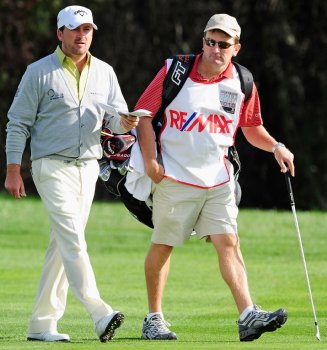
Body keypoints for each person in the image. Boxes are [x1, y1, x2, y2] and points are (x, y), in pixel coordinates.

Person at [134, 13, 295, 342]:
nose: (216, 49)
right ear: (203, 41)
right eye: (211, 42)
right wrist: (150, 160)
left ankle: (248, 315)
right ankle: (153, 318)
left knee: (229, 242)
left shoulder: (242, 81)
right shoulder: (174, 71)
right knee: (164, 245)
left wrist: (276, 146)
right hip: (174, 177)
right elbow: (143, 116)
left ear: (236, 48)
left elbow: (250, 128)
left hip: (218, 178)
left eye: (224, 44)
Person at [4, 5, 139, 343]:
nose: (82, 36)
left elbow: (114, 117)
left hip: (88, 168)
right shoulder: (38, 72)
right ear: (59, 33)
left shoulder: (105, 72)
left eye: (88, 30)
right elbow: (17, 123)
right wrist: (13, 169)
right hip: (49, 166)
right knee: (74, 240)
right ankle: (99, 312)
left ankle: (40, 324)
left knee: (62, 244)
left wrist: (124, 122)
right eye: (75, 29)